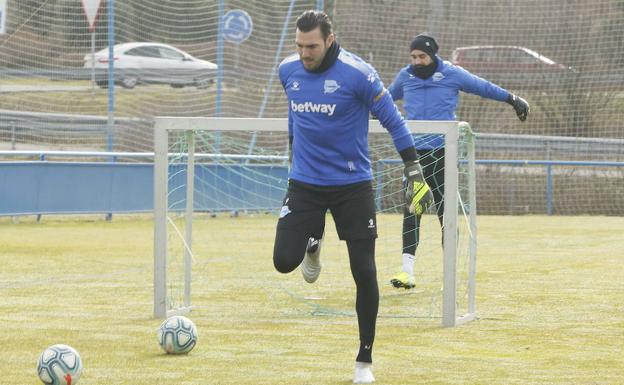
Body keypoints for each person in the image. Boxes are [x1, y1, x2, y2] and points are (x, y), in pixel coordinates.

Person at [273, 10, 433, 384]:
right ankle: (313, 240)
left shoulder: (359, 74)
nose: (304, 54)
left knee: (364, 271)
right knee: (283, 262)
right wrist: (294, 150)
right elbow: (295, 116)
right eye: (298, 46)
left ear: (329, 40)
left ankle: (364, 361)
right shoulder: (287, 71)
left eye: (311, 46)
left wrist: (413, 169)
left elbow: (394, 120)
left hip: (352, 187)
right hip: (305, 184)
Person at [387, 33, 530, 289]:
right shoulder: (405, 76)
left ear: (433, 55)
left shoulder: (452, 73)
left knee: (445, 212)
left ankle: (449, 272)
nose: (417, 61)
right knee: (412, 210)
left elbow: (482, 86)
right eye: (414, 56)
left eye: (422, 56)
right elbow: (385, 100)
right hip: (414, 155)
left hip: (445, 152)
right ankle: (407, 271)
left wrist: (512, 99)